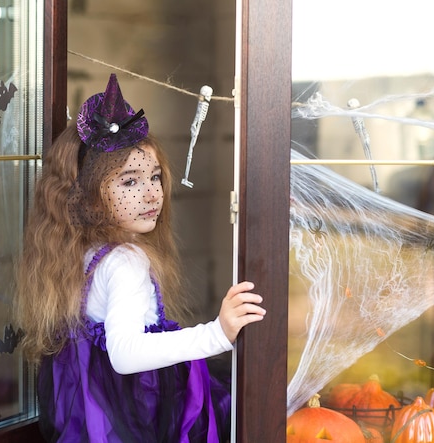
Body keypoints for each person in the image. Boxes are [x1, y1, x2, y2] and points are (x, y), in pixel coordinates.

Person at [15, 73, 266, 442]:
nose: (151, 195)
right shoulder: (125, 261)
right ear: (87, 195)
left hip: (101, 416)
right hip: (135, 417)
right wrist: (217, 333)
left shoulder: (81, 255)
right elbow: (126, 354)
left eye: (155, 177)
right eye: (129, 182)